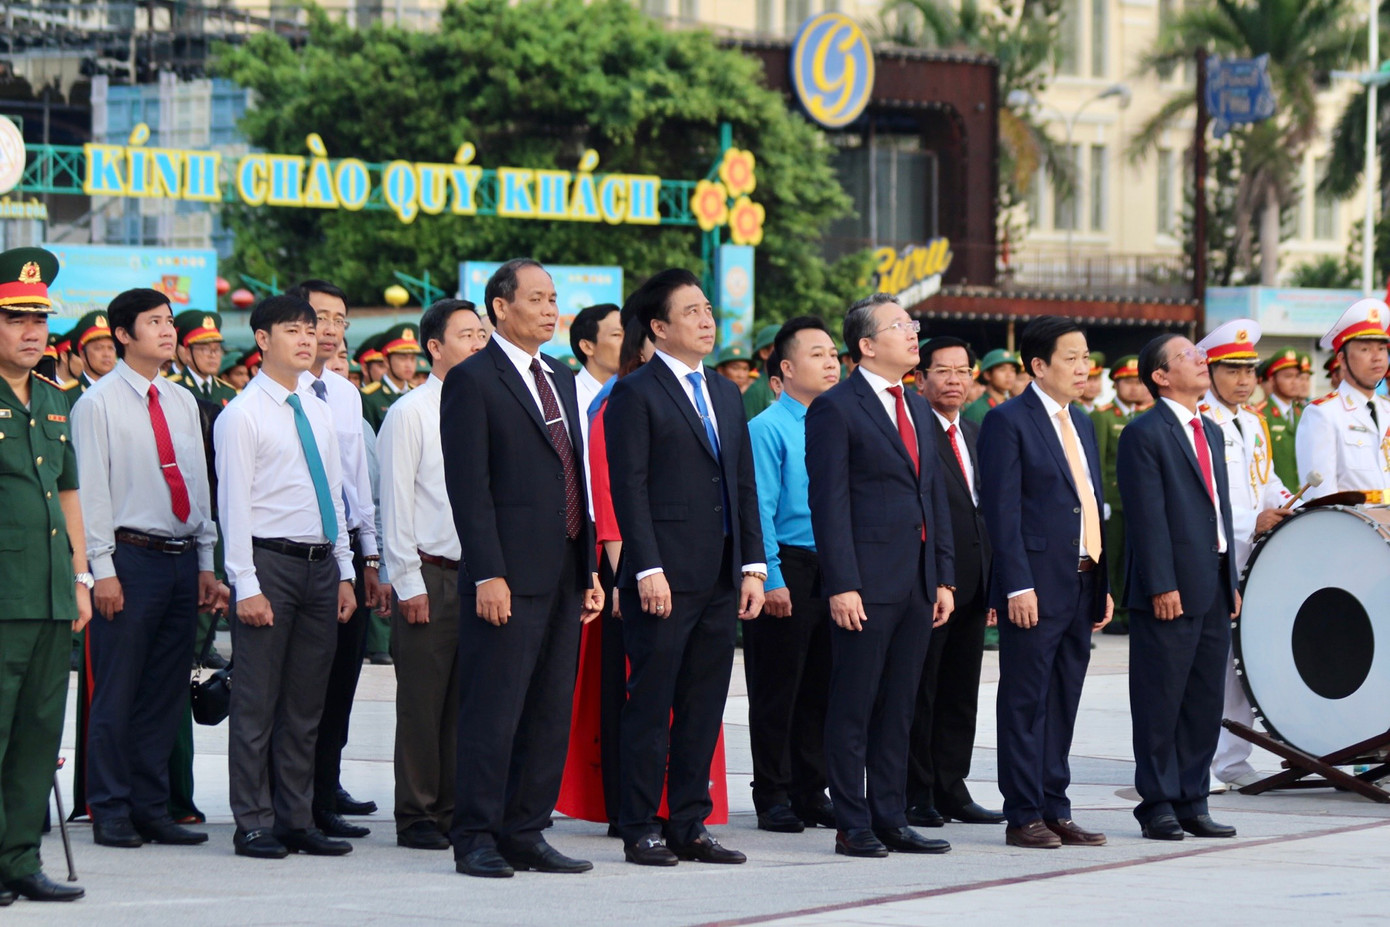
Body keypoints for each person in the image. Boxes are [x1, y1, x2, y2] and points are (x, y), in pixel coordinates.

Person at [440, 259, 602, 878]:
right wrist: (487, 573)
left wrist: (588, 568)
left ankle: (526, 829)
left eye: (553, 297)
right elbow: (470, 487)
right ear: (500, 308)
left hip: (563, 568)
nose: (549, 308)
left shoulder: (560, 378)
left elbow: (575, 476)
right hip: (506, 574)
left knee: (548, 707)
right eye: (536, 298)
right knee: (494, 708)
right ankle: (476, 834)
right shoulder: (473, 379)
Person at [605, 268, 765, 867]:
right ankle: (640, 824)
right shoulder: (636, 392)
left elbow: (743, 485)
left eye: (707, 309)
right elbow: (631, 487)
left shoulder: (725, 392)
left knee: (704, 702)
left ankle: (689, 822)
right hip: (664, 578)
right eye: (692, 311)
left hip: (722, 575)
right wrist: (646, 569)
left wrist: (753, 565)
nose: (706, 319)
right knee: (650, 701)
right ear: (659, 327)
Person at [70, 287, 226, 849]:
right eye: (153, 322)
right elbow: (90, 493)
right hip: (128, 559)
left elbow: (200, 488)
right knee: (117, 689)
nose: (167, 330)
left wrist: (207, 562)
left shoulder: (182, 401)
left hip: (182, 559)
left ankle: (150, 805)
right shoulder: (98, 403)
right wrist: (101, 570)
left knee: (164, 691)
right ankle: (109, 808)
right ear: (122, 335)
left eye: (168, 321)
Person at [805, 294, 955, 859]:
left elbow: (932, 496)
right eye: (900, 325)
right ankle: (852, 821)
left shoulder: (916, 407)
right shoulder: (836, 407)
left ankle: (890, 815)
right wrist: (842, 582)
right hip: (865, 584)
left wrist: (942, 576)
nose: (913, 333)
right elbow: (829, 502)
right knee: (855, 703)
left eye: (912, 324)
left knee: (900, 704)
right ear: (866, 345)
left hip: (916, 582)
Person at [215, 294, 357, 860]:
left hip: (321, 564)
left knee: (305, 703)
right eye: (292, 330)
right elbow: (235, 507)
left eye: (311, 328)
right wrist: (244, 584)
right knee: (256, 701)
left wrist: (346, 570)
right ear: (262, 340)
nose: (307, 338)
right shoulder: (242, 414)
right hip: (268, 564)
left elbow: (336, 499)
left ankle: (296, 818)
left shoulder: (319, 406)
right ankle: (253, 819)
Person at [976, 316, 1113, 850]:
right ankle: (1023, 813)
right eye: (1072, 358)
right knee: (1025, 701)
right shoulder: (1009, 421)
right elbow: (1001, 512)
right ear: (1038, 365)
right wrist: (1015, 585)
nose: (1084, 368)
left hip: (1080, 579)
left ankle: (1056, 806)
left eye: (1086, 358)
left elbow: (1089, 504)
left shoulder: (1081, 422)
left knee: (1063, 700)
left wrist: (1100, 582)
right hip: (1034, 584)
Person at [1117, 333, 1239, 841]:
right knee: (1161, 698)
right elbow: (1145, 518)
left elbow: (1221, 509)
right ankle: (1158, 802)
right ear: (1161, 376)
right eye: (1188, 355)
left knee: (1204, 697)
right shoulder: (1144, 432)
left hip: (1211, 579)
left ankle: (1194, 798)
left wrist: (1230, 576)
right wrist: (1161, 583)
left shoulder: (1209, 430)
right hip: (1169, 588)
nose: (1201, 359)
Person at [0, 247, 91, 904]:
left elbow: (68, 496)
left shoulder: (56, 400)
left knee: (37, 735)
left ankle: (19, 858)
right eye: (15, 317)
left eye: (39, 317)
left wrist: (82, 577)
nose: (32, 330)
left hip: (52, 596)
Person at [379, 298, 486, 851]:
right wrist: (407, 580)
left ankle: (453, 807)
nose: (478, 343)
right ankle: (419, 813)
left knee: (468, 702)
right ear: (436, 348)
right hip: (433, 573)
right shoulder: (411, 412)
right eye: (466, 335)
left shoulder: (492, 405)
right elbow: (395, 503)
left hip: (483, 575)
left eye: (482, 333)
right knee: (424, 702)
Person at [284, 279, 387, 838]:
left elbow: (357, 487)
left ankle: (326, 786)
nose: (330, 329)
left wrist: (369, 559)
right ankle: (296, 799)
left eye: (339, 319)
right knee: (304, 685)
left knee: (343, 677)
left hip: (347, 546)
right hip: (298, 549)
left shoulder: (346, 393)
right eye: (318, 317)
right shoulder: (280, 389)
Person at [745, 317, 840, 834]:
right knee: (779, 686)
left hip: (835, 568)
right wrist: (773, 575)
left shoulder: (838, 421)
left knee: (822, 685)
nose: (832, 362)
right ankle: (773, 794)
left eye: (833, 354)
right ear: (786, 367)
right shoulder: (767, 427)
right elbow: (758, 508)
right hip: (790, 564)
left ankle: (812, 789)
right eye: (818, 354)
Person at [906, 336, 1004, 829]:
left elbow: (984, 512)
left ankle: (951, 785)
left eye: (962, 371)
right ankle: (915, 789)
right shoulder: (912, 429)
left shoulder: (976, 432)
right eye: (941, 371)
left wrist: (991, 580)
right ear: (919, 379)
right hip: (927, 584)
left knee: (961, 690)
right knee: (920, 689)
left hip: (973, 582)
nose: (954, 380)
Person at [1193, 322, 1292, 793]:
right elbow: (1207, 499)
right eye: (1232, 370)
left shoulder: (1253, 422)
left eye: (1249, 370)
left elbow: (1264, 480)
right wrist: (1252, 520)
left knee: (1242, 655)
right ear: (1209, 371)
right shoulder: (1198, 420)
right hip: (1218, 554)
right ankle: (1202, 758)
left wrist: (1292, 504)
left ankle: (1233, 758)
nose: (1244, 379)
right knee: (1212, 657)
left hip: (1255, 555)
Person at [1297, 299, 1390, 499]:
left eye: (1382, 348)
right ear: (1342, 360)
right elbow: (1319, 498)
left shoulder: (1387, 410)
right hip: (1352, 526)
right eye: (1365, 349)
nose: (1377, 357)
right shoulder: (1322, 413)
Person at [1091, 355, 1150, 635]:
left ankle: (1128, 609)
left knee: (1133, 556)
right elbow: (1097, 460)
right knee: (1112, 556)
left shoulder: (1145, 415)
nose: (1135, 388)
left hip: (1138, 501)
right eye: (1128, 382)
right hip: (1112, 501)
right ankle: (1112, 612)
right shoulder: (1103, 416)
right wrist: (1099, 498)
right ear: (1114, 384)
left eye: (1139, 382)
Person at [1255, 347, 1304, 490]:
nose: (1295, 382)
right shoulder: (1261, 415)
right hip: (1276, 500)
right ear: (1272, 379)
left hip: (1305, 499)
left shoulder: (1304, 412)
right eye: (1288, 376)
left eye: (1297, 376)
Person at [170, 311, 238, 406]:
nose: (212, 355)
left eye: (217, 349)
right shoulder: (173, 388)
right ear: (188, 353)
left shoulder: (228, 391)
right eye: (204, 349)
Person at [362, 324, 421, 432]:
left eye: (413, 358)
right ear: (386, 361)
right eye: (402, 358)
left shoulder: (417, 393)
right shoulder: (369, 397)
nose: (409, 364)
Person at [961, 348, 1020, 424]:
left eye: (1012, 370)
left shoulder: (1011, 405)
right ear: (988, 375)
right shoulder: (977, 409)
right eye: (1002, 370)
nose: (1009, 375)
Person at [69, 310, 118, 397]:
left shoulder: (125, 392)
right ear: (83, 355)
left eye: (111, 348)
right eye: (98, 348)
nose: (106, 354)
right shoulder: (68, 395)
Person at [742, 323, 780, 419]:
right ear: (764, 353)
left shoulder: (795, 386)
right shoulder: (755, 390)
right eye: (780, 347)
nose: (787, 351)